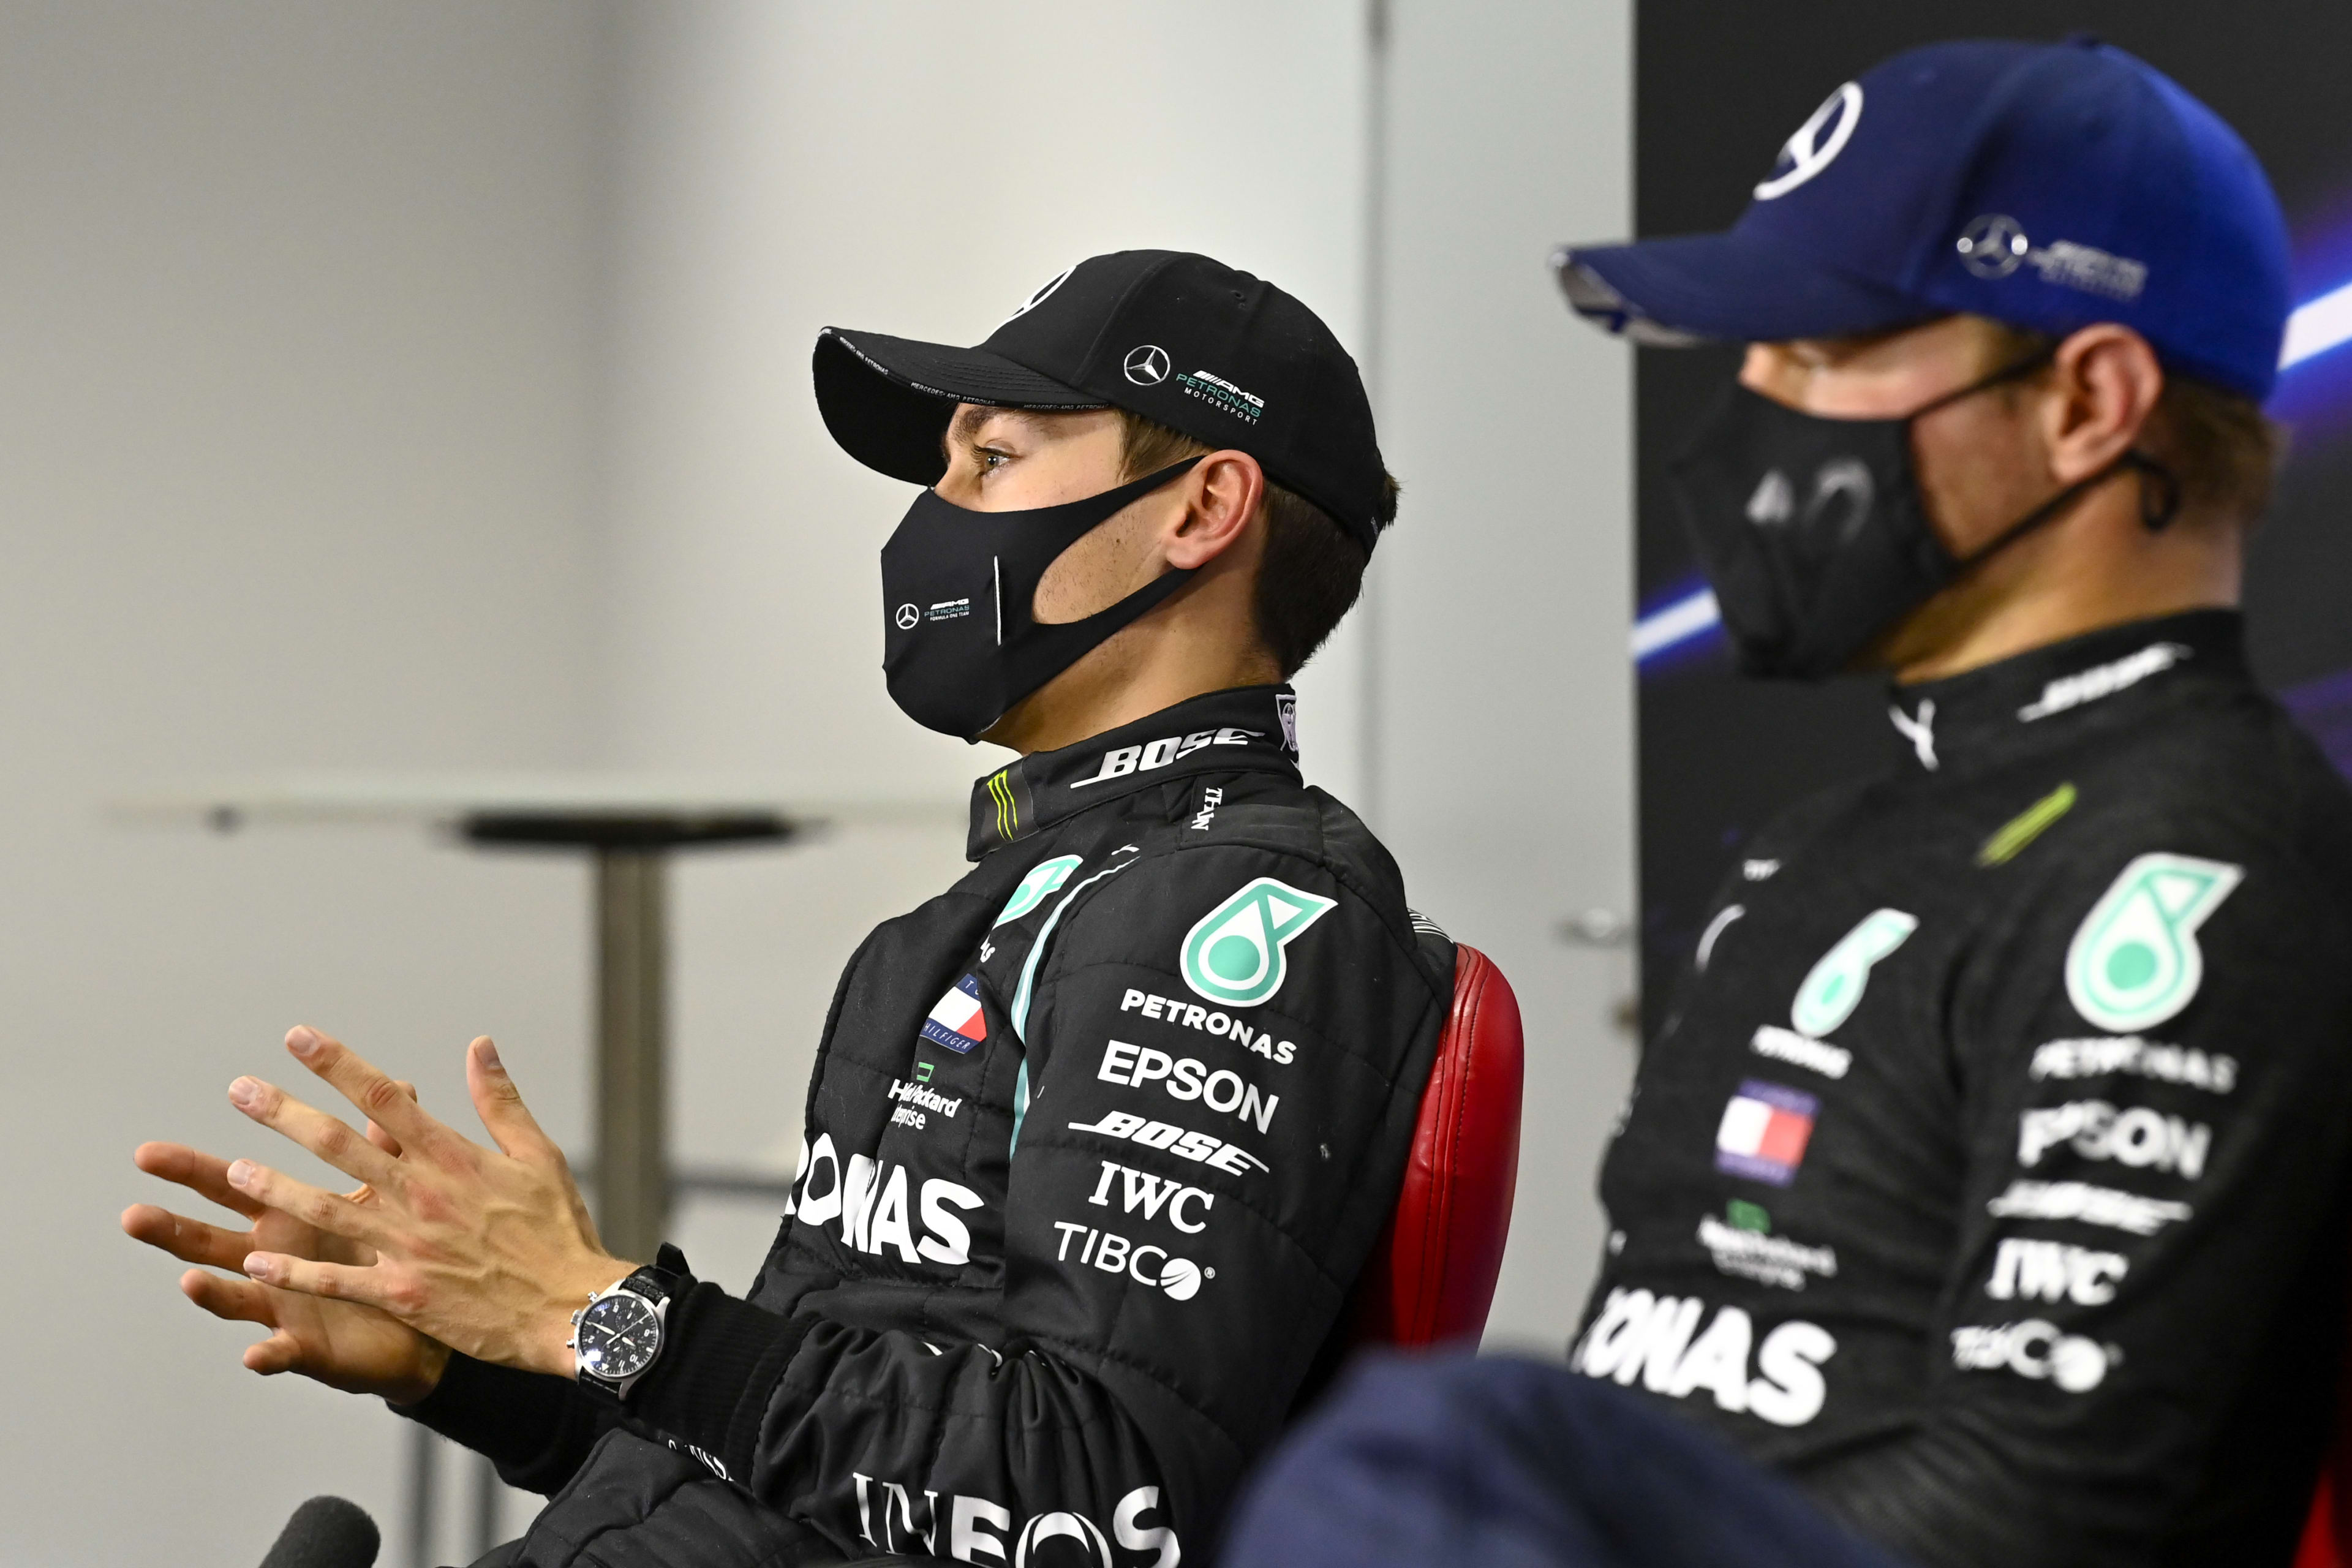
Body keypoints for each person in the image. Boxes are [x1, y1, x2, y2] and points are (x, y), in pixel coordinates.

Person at [123, 249, 1456, 1567]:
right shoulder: (987, 912)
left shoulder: (1240, 914)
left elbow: (1092, 1496)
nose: (934, 512)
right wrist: (469, 1353)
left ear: (1201, 505)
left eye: (991, 460)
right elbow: (804, 1474)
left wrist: (601, 1308)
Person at [1225, 36, 2352, 1568]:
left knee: (1438, 1451)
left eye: (1820, 353)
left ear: (2089, 400)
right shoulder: (1816, 850)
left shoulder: (2214, 857)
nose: (1749, 414)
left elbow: (2051, 1514)